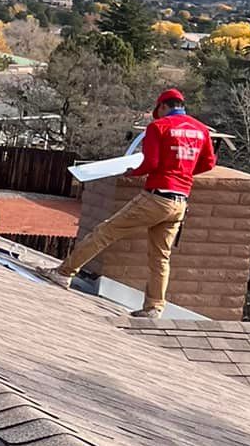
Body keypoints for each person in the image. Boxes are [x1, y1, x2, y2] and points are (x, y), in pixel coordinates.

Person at [45, 89, 216, 318]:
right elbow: (208, 164)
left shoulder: (159, 127)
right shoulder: (201, 130)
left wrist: (132, 172)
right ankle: (154, 307)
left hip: (157, 196)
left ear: (163, 106)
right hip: (180, 202)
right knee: (160, 257)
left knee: (105, 232)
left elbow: (151, 162)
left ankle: (64, 273)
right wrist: (182, 171)